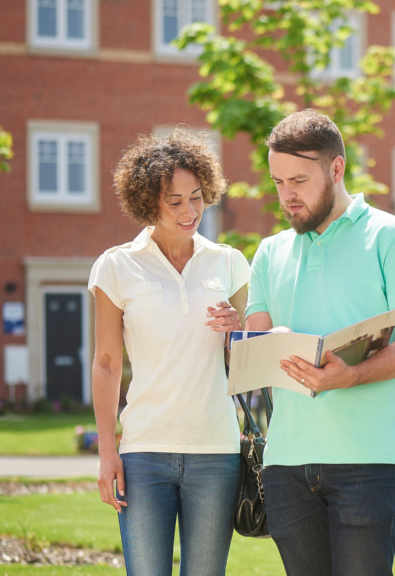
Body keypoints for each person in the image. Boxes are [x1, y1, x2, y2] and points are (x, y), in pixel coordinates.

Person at [245, 109, 395, 576]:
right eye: (277, 182)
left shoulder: (393, 238)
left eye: (299, 180)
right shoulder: (270, 252)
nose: (287, 195)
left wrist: (352, 374)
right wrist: (261, 342)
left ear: (336, 169)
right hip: (286, 463)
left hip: (367, 462)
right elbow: (252, 347)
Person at [89, 129, 249, 576]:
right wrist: (107, 451)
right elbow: (106, 363)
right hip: (144, 453)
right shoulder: (117, 265)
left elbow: (245, 366)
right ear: (147, 202)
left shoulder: (230, 262)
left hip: (216, 452)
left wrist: (237, 332)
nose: (189, 211)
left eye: (196, 197)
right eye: (174, 201)